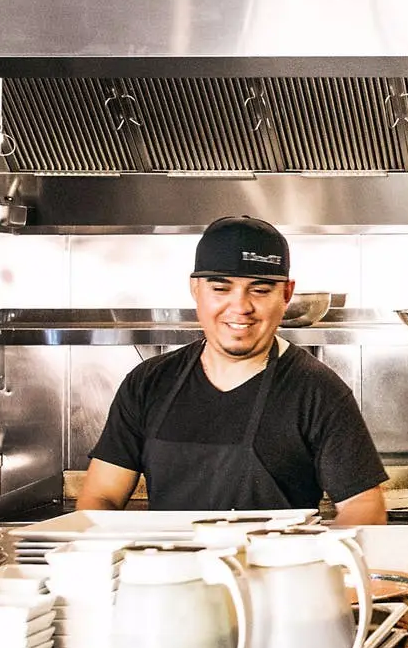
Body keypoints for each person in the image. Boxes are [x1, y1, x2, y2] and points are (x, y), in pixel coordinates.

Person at [79, 216, 389, 524]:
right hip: (173, 570)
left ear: (286, 294)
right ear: (195, 289)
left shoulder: (317, 390)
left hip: (275, 570)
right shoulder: (148, 382)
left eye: (260, 290)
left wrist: (318, 565)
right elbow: (101, 494)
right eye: (221, 288)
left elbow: (363, 506)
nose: (240, 307)